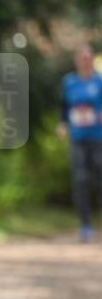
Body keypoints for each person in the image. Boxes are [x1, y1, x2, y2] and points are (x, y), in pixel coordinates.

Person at [57, 43, 102, 242]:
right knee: (81, 179)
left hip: (98, 137)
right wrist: (63, 123)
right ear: (77, 60)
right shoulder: (69, 82)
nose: (84, 61)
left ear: (92, 59)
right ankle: (85, 225)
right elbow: (64, 107)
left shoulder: (100, 81)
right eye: (81, 58)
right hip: (78, 137)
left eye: (87, 58)